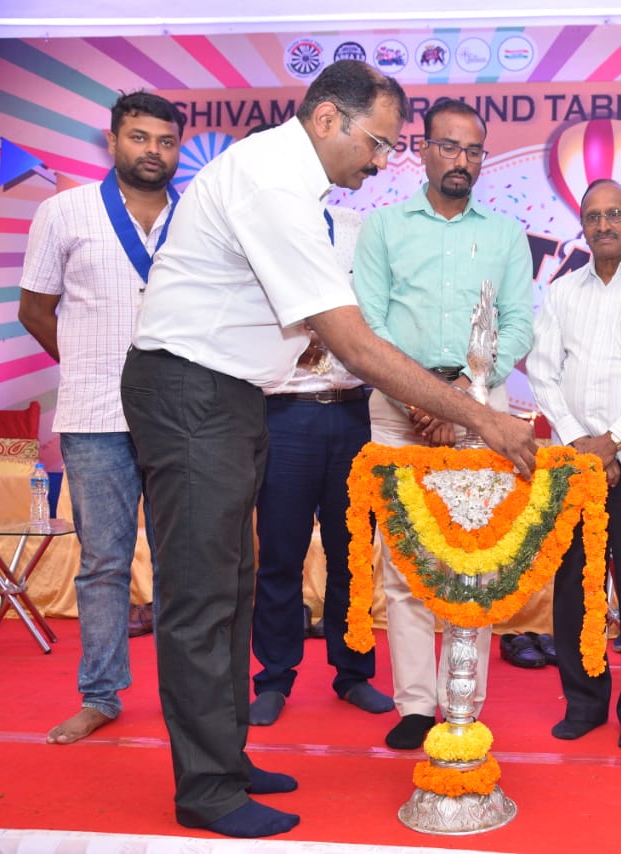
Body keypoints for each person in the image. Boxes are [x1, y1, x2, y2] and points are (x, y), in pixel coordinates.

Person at [119, 61, 536, 840]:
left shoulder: (294, 186)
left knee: (231, 589)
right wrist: (480, 420)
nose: (381, 161)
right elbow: (352, 341)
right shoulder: (273, 184)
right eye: (376, 142)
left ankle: (225, 759)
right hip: (190, 392)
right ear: (325, 120)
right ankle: (206, 788)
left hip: (231, 396)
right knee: (202, 599)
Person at [352, 98, 533, 751]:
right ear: (423, 151)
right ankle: (413, 704)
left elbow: (519, 324)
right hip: (397, 410)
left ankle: (464, 701)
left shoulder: (507, 234)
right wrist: (416, 397)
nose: (462, 160)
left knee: (473, 560)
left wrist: (461, 397)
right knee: (405, 561)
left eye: (474, 150)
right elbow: (368, 324)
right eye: (450, 147)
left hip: (482, 413)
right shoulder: (383, 227)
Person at [17, 90, 182, 746]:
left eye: (165, 141)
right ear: (113, 141)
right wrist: (86, 363)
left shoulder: (197, 217)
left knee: (181, 564)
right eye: (139, 137)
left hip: (179, 416)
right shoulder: (64, 211)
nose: (153, 151)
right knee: (104, 562)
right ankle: (101, 695)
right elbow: (35, 310)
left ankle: (185, 696)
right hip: (94, 414)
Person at [527, 179, 621, 751]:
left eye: (615, 214)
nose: (603, 224)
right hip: (575, 464)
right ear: (583, 227)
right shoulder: (563, 292)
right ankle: (584, 702)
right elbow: (543, 372)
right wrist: (581, 444)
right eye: (592, 216)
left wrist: (612, 442)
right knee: (575, 586)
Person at [247, 150, 392, 726]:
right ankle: (274, 676)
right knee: (279, 555)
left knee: (352, 553)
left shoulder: (360, 231)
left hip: (353, 412)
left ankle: (353, 671)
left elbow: (377, 313)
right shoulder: (259, 232)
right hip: (283, 413)